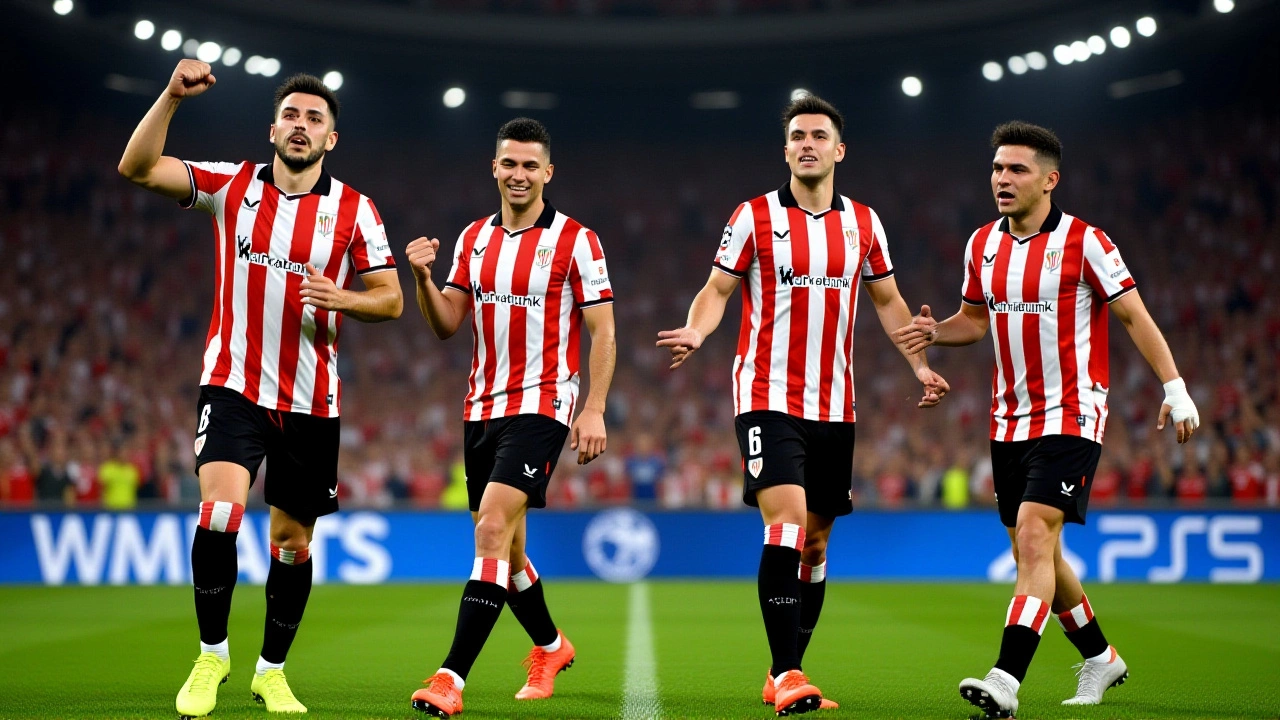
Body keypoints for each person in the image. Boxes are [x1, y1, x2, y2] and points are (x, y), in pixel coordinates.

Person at [118, 60, 403, 717]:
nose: (301, 126)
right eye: (293, 115)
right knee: (219, 512)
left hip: (311, 399)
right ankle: (211, 655)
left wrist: (343, 298)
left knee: (292, 543)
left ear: (331, 139)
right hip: (233, 384)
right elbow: (136, 168)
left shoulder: (355, 211)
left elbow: (390, 301)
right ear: (272, 127)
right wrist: (168, 96)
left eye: (315, 119)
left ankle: (270, 671)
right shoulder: (233, 185)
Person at [892, 120, 1199, 718]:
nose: (1001, 180)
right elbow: (974, 322)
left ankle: (1005, 678)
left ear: (1050, 180)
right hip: (1008, 419)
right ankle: (1101, 656)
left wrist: (1176, 387)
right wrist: (936, 332)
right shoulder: (982, 244)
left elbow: (1134, 317)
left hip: (1073, 411)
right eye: (997, 170)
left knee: (1034, 537)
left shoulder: (1088, 243)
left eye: (1017, 170)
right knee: (1038, 554)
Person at [657, 94, 949, 716]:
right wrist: (698, 331)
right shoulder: (754, 217)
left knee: (815, 545)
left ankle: (784, 669)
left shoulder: (865, 223)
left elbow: (889, 301)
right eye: (797, 136)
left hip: (835, 404)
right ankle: (789, 673)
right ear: (785, 148)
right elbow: (717, 289)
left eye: (819, 135)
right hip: (766, 396)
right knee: (785, 524)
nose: (807, 144)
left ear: (839, 150)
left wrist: (920, 365)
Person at [405, 117, 616, 718]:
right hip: (481, 407)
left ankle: (450, 679)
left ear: (548, 173)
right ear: (493, 168)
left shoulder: (578, 240)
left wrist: (594, 407)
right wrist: (422, 278)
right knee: (510, 553)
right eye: (509, 163)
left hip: (544, 404)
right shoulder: (473, 239)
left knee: (491, 530)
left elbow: (602, 330)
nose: (519, 174)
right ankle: (551, 646)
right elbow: (447, 323)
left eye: (531, 165)